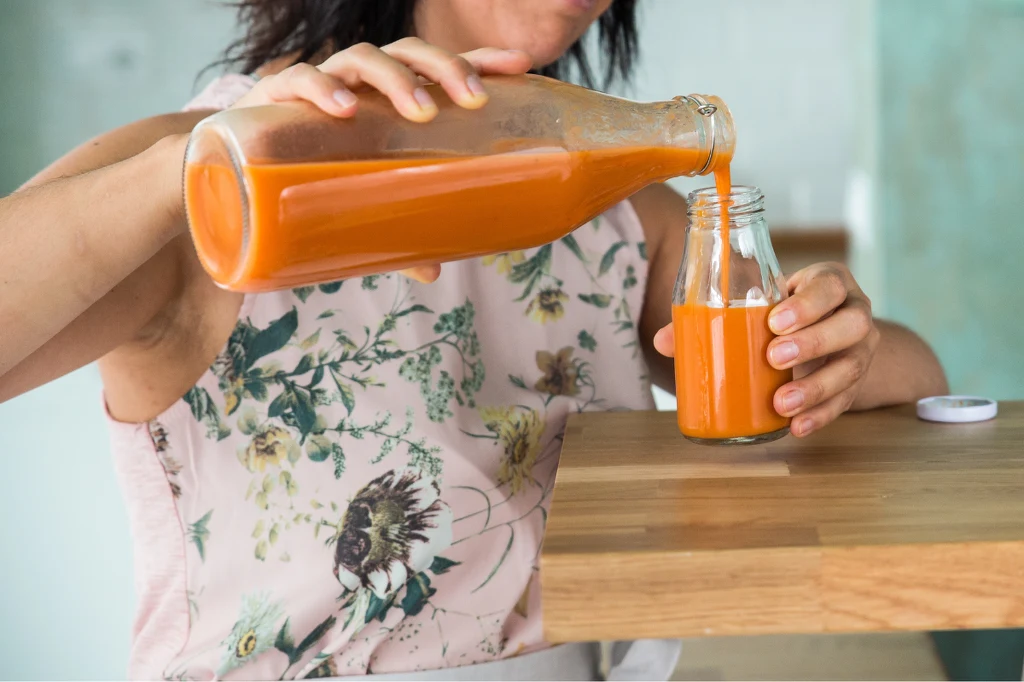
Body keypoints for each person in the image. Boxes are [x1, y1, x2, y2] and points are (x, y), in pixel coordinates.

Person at [0, 0, 948, 679]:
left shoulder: (619, 215)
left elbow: (920, 381)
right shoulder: (219, 182)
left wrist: (835, 340)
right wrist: (194, 164)